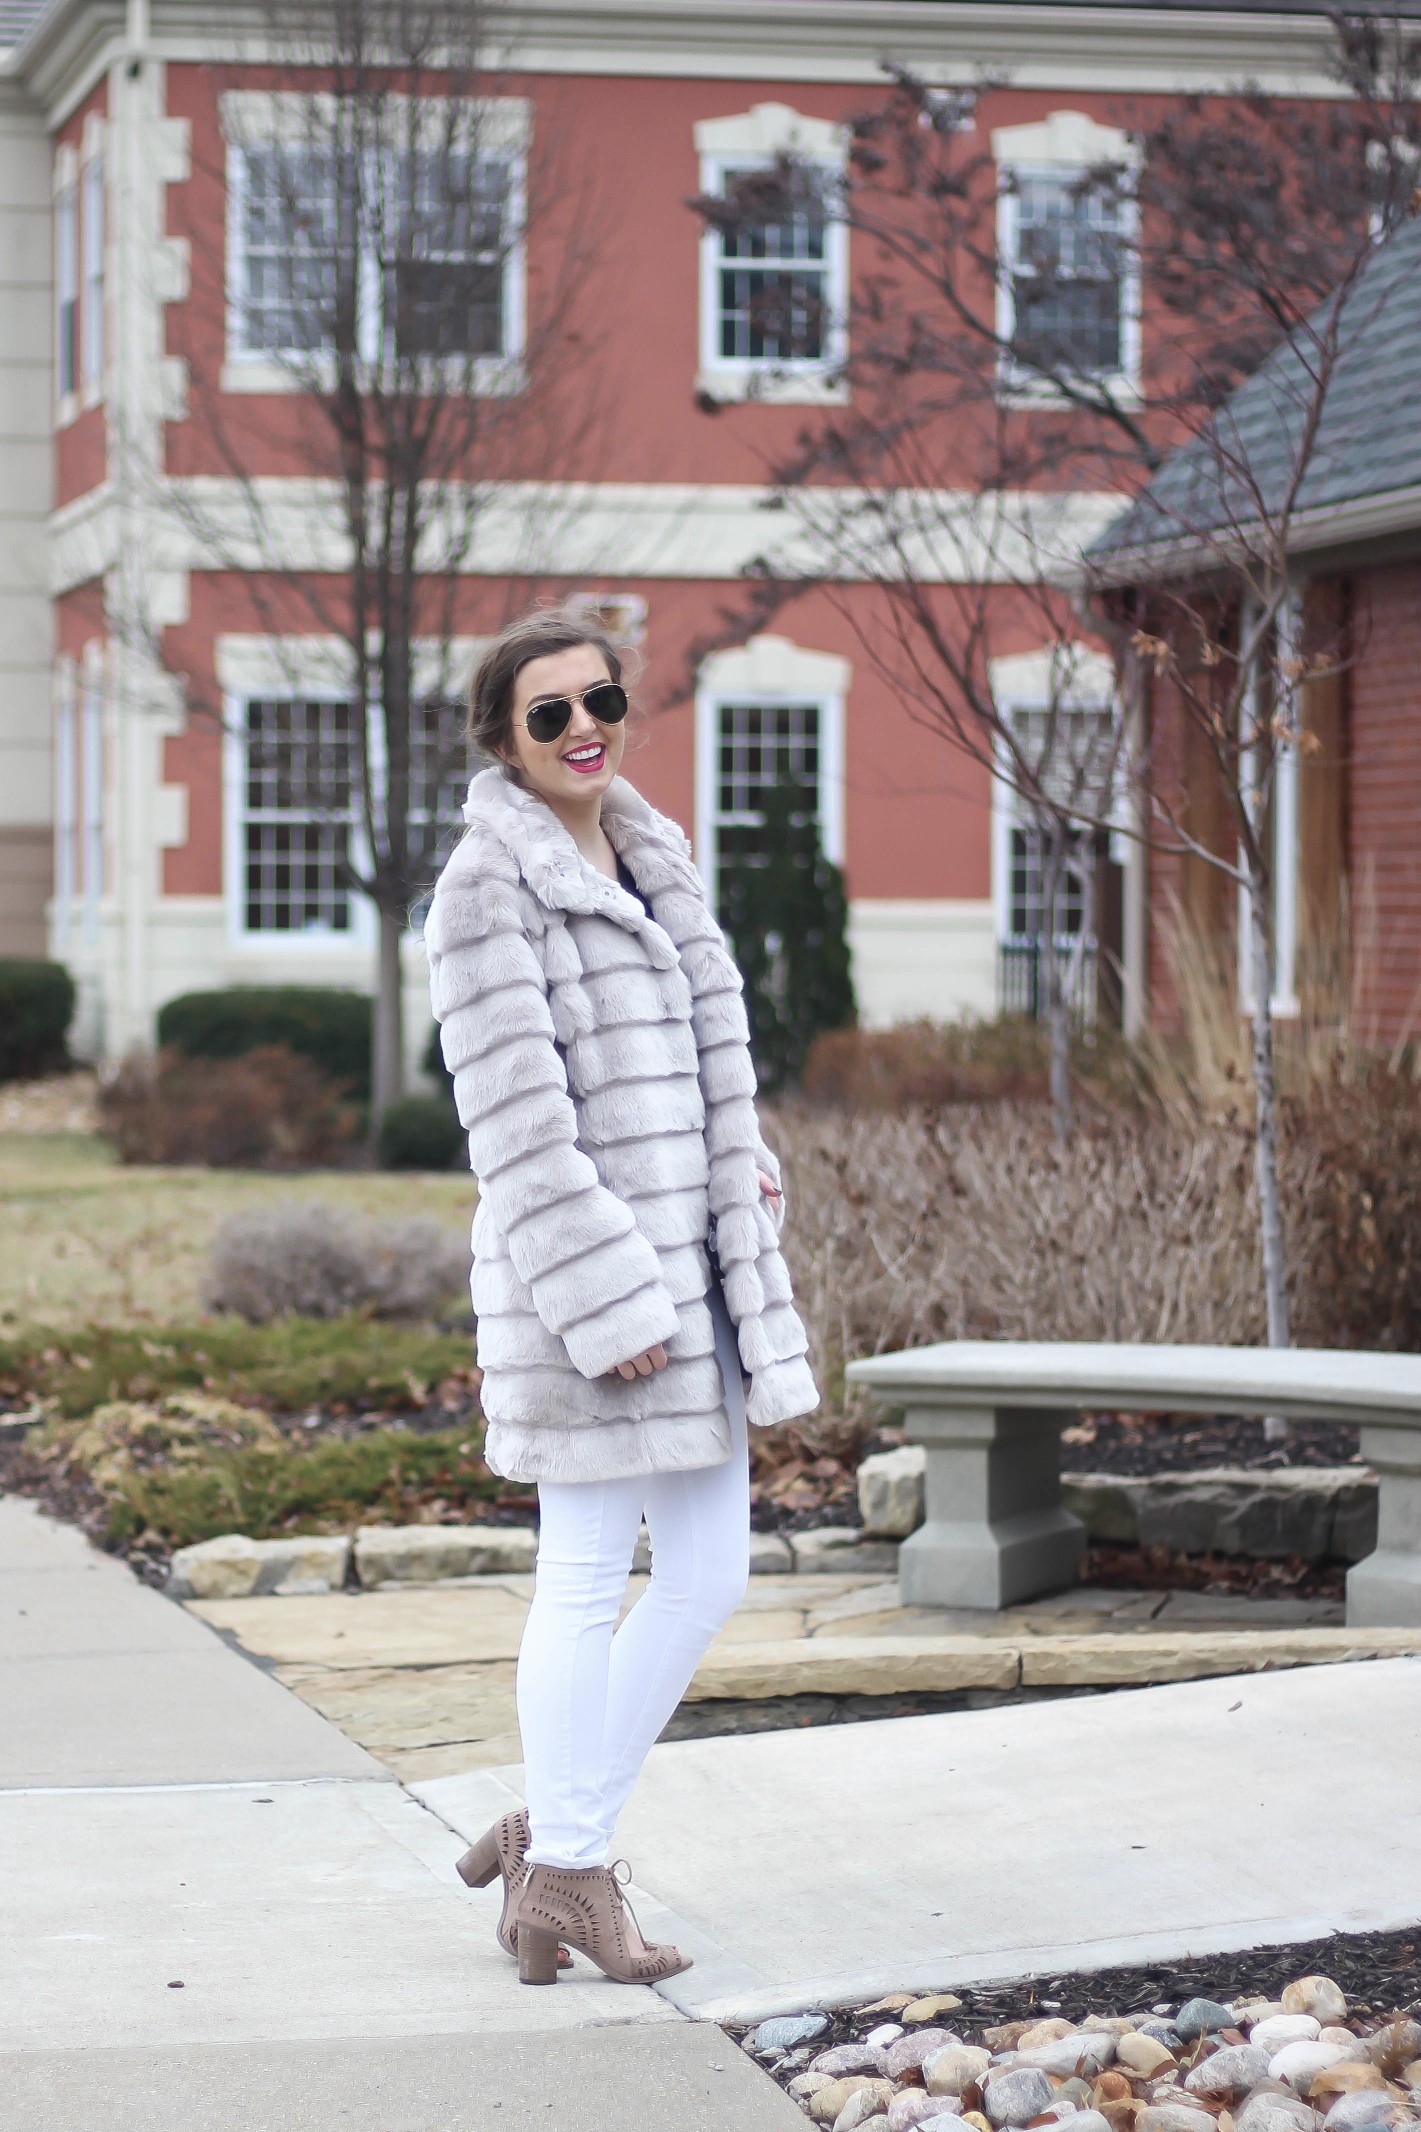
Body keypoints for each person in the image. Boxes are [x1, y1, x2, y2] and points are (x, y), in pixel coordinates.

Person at [424, 606, 818, 1987]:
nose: (584, 726)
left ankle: (556, 1831)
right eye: (550, 713)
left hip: (697, 1274)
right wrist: (612, 1300)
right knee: (585, 1577)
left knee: (706, 1575)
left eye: (599, 698)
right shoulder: (486, 891)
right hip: (587, 1299)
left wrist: (742, 1168)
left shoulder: (656, 859)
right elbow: (520, 1135)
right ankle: (572, 1878)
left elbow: (711, 1068)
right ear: (501, 739)